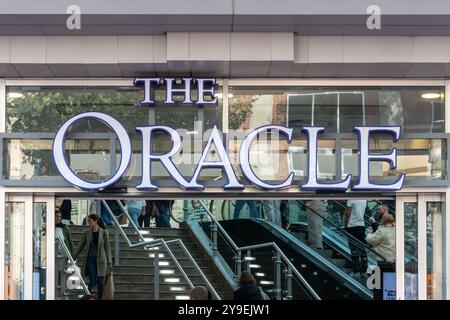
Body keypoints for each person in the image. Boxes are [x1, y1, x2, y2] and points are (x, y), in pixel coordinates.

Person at [73, 214, 112, 300]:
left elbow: (107, 248)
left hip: (102, 260)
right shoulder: (86, 233)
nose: (88, 223)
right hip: (90, 259)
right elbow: (80, 247)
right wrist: (73, 257)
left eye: (90, 221)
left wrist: (109, 262)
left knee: (100, 282)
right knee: (93, 280)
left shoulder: (104, 232)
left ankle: (99, 298)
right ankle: (86, 295)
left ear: (95, 221)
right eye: (88, 221)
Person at [344, 199, 368, 275]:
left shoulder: (351, 199)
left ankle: (356, 270)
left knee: (353, 248)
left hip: (352, 226)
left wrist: (345, 227)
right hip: (361, 225)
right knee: (362, 248)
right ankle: (364, 270)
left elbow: (347, 213)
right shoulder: (364, 199)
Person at [55, 207, 74, 299]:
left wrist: (72, 256)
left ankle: (61, 294)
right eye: (57, 216)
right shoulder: (49, 227)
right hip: (52, 255)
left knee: (61, 275)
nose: (58, 218)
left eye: (60, 216)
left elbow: (70, 242)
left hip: (63, 255)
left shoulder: (64, 228)